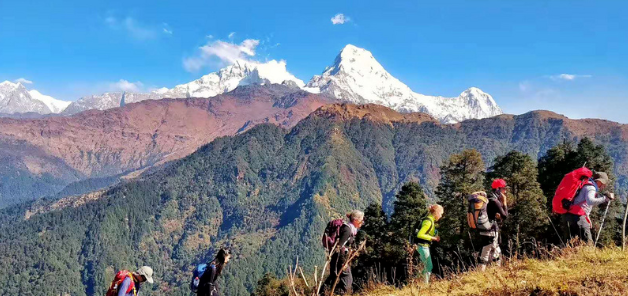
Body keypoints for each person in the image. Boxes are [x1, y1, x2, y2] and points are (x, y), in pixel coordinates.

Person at [562, 171, 614, 244]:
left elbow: (583, 204)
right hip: (578, 216)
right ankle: (589, 254)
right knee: (587, 242)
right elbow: (590, 201)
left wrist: (587, 217)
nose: (604, 185)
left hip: (571, 215)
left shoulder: (586, 185)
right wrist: (605, 198)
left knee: (573, 243)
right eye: (604, 183)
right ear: (599, 181)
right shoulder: (591, 188)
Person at [323, 210, 364, 295]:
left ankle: (322, 293)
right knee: (347, 280)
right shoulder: (347, 230)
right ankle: (338, 294)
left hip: (337, 257)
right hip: (340, 258)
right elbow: (339, 246)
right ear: (356, 220)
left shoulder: (349, 228)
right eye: (361, 220)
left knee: (333, 278)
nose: (362, 222)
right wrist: (344, 262)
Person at [479, 179, 509, 271]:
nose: (505, 191)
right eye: (504, 189)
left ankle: (496, 272)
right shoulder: (494, 201)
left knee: (495, 250)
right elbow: (505, 216)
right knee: (486, 252)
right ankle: (480, 274)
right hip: (490, 231)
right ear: (498, 189)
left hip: (485, 229)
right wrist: (504, 203)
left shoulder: (488, 198)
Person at [415, 204, 444, 284]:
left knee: (425, 267)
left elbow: (429, 231)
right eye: (441, 214)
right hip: (422, 246)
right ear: (437, 212)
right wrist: (433, 238)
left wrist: (435, 233)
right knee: (428, 266)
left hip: (423, 246)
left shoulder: (430, 220)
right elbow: (420, 234)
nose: (441, 216)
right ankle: (425, 285)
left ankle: (417, 282)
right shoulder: (428, 221)